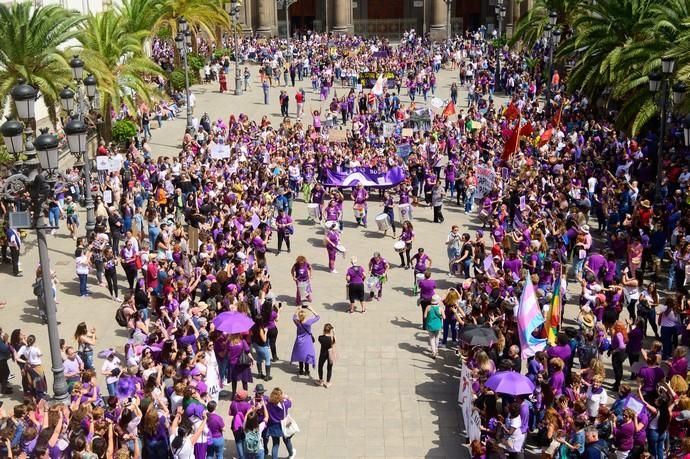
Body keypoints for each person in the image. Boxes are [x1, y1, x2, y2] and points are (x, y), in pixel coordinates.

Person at [266, 387, 296, 459]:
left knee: (275, 444)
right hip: (283, 426)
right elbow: (291, 402)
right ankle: (291, 454)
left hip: (273, 426)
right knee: (287, 440)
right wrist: (287, 397)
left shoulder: (269, 404)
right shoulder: (284, 404)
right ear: (280, 396)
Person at [290, 305, 319, 376]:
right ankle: (306, 371)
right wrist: (311, 309)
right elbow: (318, 317)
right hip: (307, 342)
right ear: (305, 316)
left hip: (299, 341)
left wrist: (297, 309)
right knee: (306, 356)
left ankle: (300, 370)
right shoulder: (308, 323)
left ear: (299, 317)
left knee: (300, 355)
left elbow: (294, 317)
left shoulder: (297, 322)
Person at [424, 294, 445, 359]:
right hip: (438, 326)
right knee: (437, 338)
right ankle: (436, 349)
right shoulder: (440, 308)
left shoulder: (428, 307)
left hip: (430, 325)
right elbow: (444, 317)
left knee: (431, 339)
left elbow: (424, 316)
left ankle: (433, 352)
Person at [317, 323, 336, 388]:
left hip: (323, 353)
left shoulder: (320, 338)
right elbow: (334, 342)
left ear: (324, 330)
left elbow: (321, 340)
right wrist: (334, 333)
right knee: (329, 368)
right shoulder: (331, 339)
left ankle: (321, 380)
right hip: (330, 354)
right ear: (330, 330)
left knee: (320, 366)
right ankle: (328, 382)